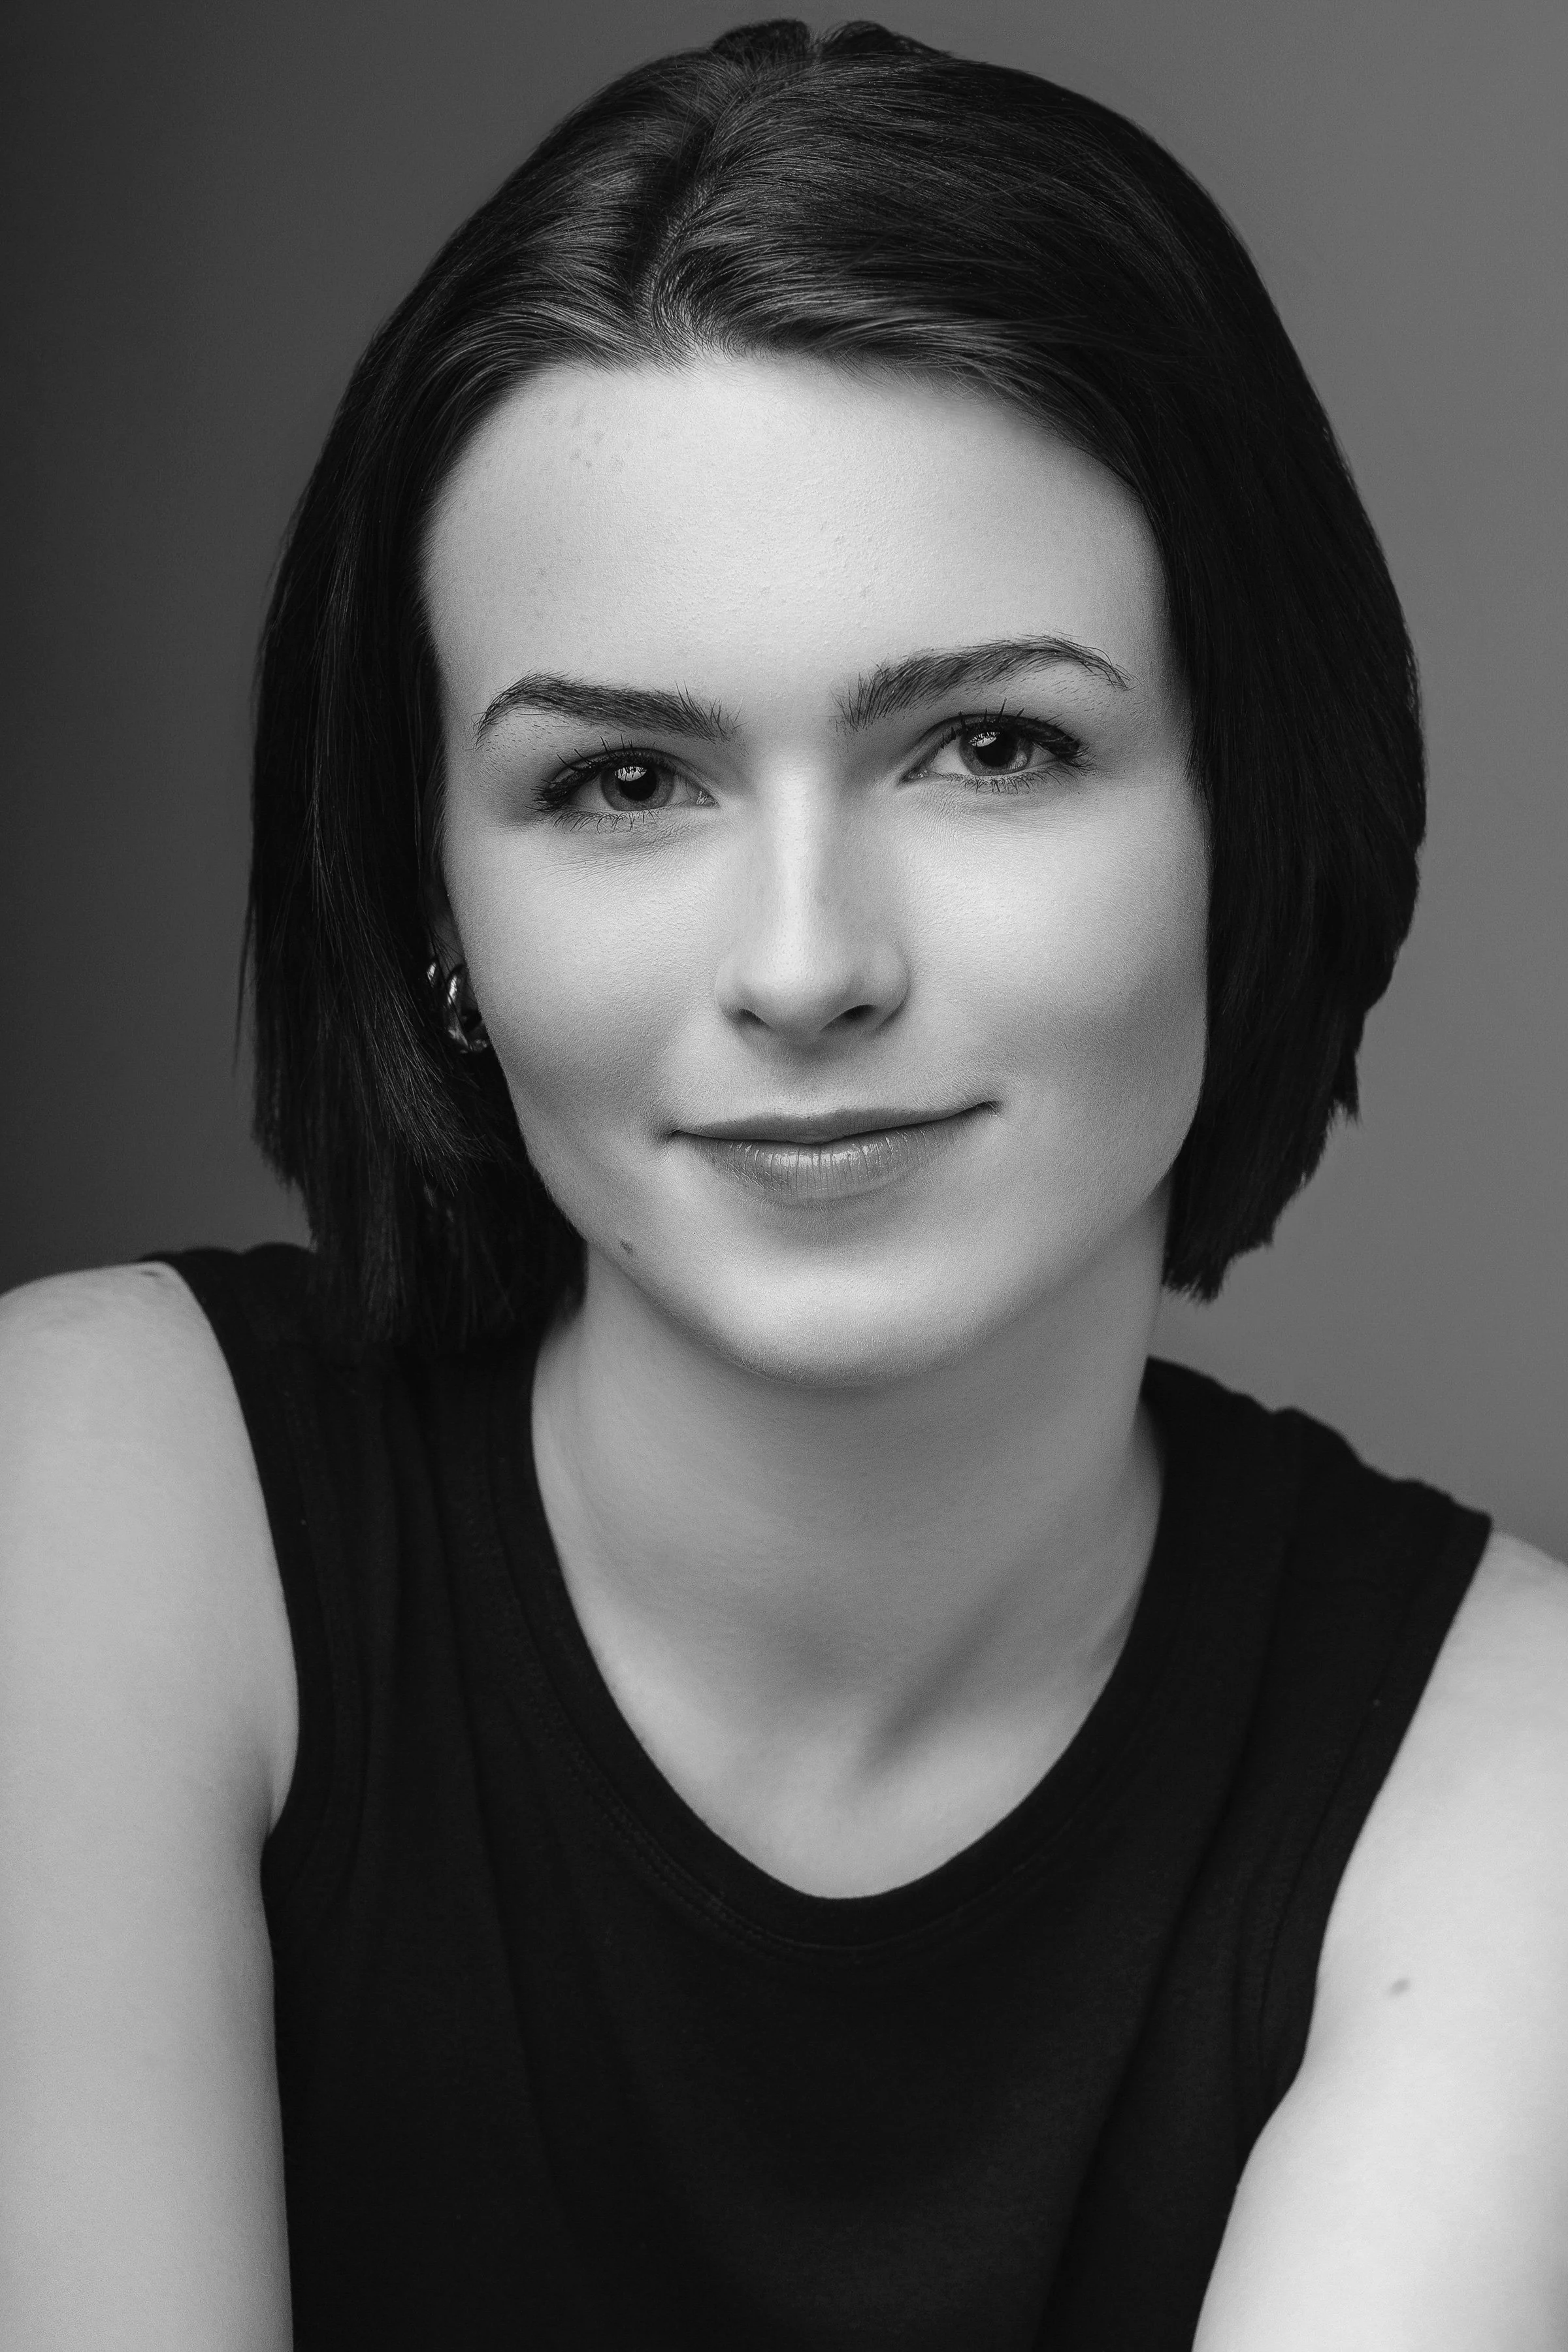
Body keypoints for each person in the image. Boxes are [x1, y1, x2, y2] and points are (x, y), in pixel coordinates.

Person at [1, 16, 1564, 2348]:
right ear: (434, 909)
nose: (809, 964)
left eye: (993, 746)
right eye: (624, 784)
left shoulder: (1512, 1785)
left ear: (1257, 821)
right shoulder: (87, 1506)